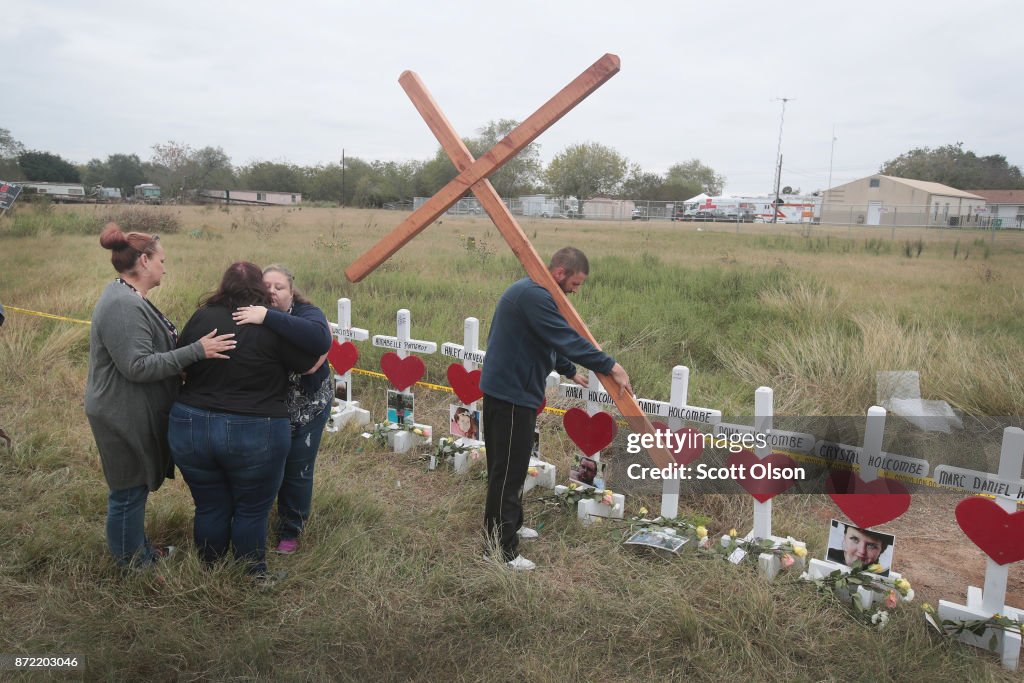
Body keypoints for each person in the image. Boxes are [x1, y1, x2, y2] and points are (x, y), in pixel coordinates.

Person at [85, 223, 236, 569]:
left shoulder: (130, 297)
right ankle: (132, 564)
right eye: (162, 260)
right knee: (128, 491)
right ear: (144, 260)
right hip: (118, 412)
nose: (165, 267)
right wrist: (196, 351)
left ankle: (138, 550)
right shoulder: (123, 305)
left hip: (128, 408)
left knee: (134, 487)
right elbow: (137, 366)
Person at [479, 247, 633, 571]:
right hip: (510, 397)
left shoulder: (534, 294)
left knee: (513, 467)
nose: (575, 291)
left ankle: (512, 524)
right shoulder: (535, 295)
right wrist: (611, 365)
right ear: (560, 272)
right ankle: (500, 550)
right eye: (575, 283)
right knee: (506, 473)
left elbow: (543, 339)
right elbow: (563, 337)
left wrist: (567, 369)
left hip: (513, 393)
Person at [168, 262, 318, 579]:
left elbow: (180, 359)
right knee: (252, 508)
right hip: (257, 428)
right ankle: (251, 573)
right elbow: (308, 363)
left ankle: (209, 566)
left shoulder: (203, 315)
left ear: (223, 285)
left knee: (209, 504)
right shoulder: (270, 324)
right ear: (261, 289)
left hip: (192, 426)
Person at [231, 264, 333, 555]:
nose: (272, 292)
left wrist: (267, 316)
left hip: (307, 407)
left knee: (297, 469)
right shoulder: (248, 311)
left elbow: (318, 337)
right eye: (267, 287)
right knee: (261, 468)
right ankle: (253, 521)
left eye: (279, 287)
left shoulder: (306, 312)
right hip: (267, 409)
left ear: (291, 291)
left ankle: (291, 529)